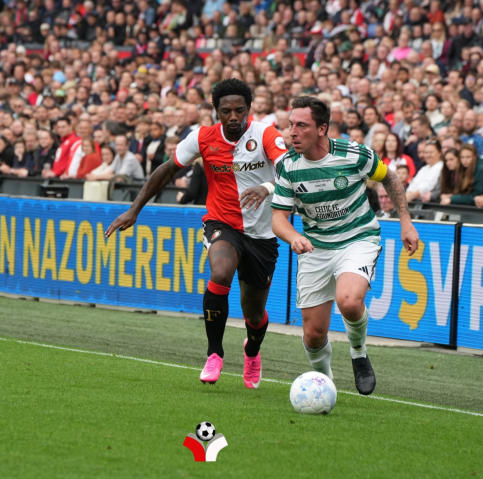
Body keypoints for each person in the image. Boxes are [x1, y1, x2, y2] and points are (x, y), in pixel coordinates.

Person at [105, 79, 288, 389]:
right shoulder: (203, 138)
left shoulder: (266, 135)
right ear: (215, 111)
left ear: (249, 109)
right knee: (220, 272)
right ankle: (214, 353)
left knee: (254, 313)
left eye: (239, 110)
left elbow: (289, 170)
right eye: (226, 111)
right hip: (222, 223)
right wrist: (134, 210)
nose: (233, 117)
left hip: (262, 233)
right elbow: (167, 169)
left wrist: (267, 187)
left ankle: (252, 351)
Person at [271, 96, 419, 395]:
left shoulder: (355, 154)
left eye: (301, 125)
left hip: (357, 238)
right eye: (291, 125)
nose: (292, 132)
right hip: (315, 248)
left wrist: (406, 221)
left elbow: (390, 178)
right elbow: (278, 219)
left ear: (322, 128)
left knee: (349, 301)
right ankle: (324, 382)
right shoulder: (288, 165)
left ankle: (358, 351)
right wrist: (293, 237)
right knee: (314, 335)